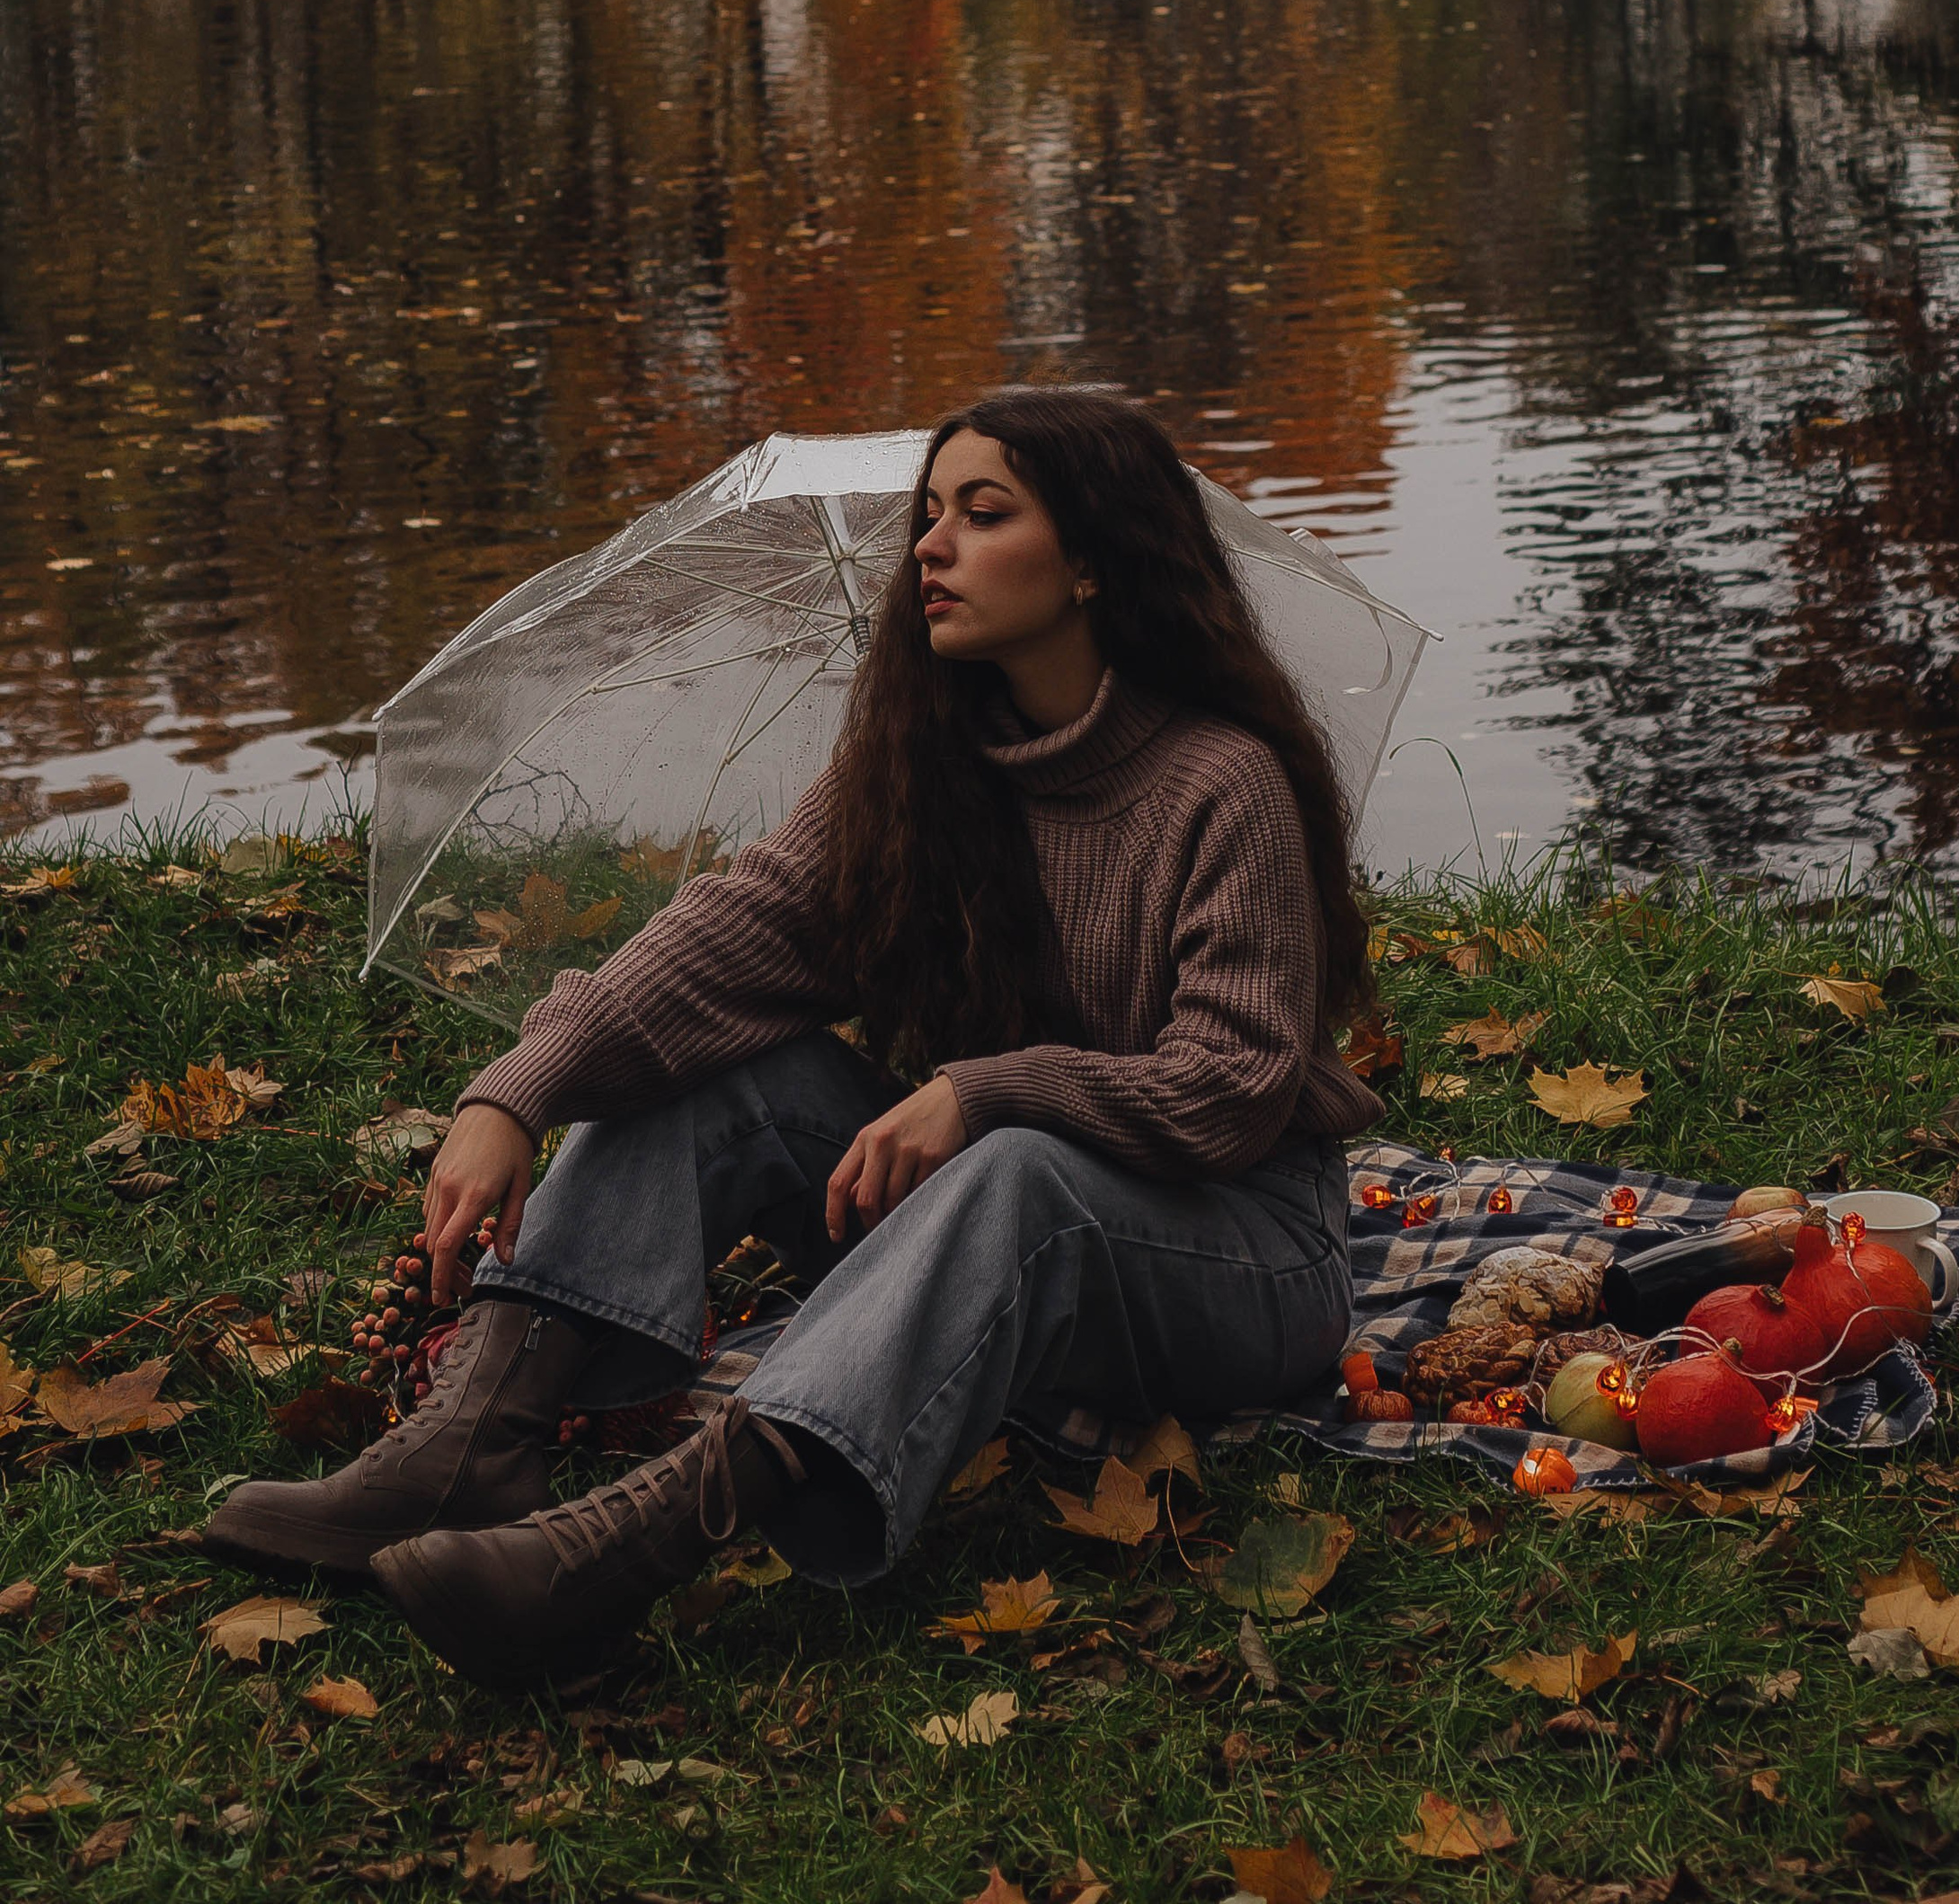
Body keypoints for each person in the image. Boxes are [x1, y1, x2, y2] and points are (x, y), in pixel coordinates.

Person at [206, 385, 1378, 1685]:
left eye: (982, 516)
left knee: (1016, 1170)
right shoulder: (922, 767)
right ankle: (472, 1442)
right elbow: (719, 941)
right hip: (994, 1221)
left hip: (1242, 1258)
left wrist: (985, 1093)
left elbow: (1228, 1092)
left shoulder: (1226, 785)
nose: (928, 546)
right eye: (929, 515)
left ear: (1096, 560)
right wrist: (517, 1092)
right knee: (730, 1066)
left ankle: (620, 1557)